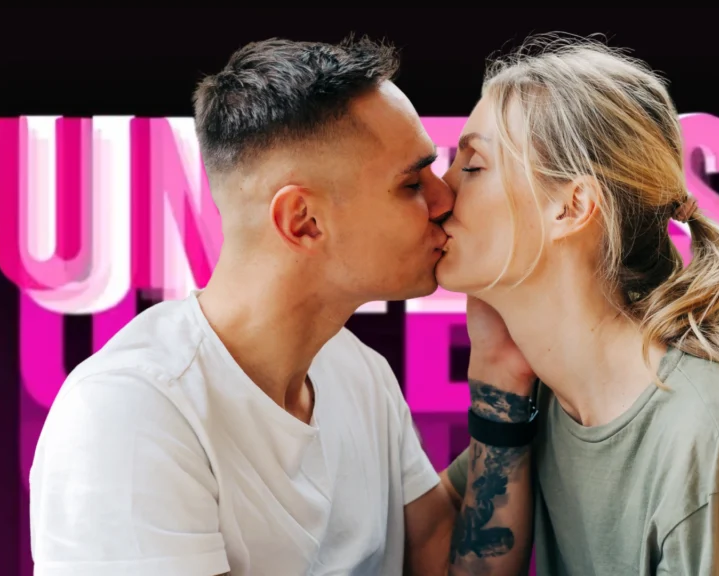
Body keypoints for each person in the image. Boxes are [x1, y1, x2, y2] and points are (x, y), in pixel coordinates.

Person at [28, 36, 460, 576]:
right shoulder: (128, 415)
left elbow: (443, 551)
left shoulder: (359, 371)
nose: (444, 200)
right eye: (412, 182)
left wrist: (502, 373)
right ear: (304, 221)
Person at [437, 34, 719, 575]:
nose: (439, 192)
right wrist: (497, 379)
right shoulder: (548, 396)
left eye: (473, 165)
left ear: (571, 207)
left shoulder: (704, 432)